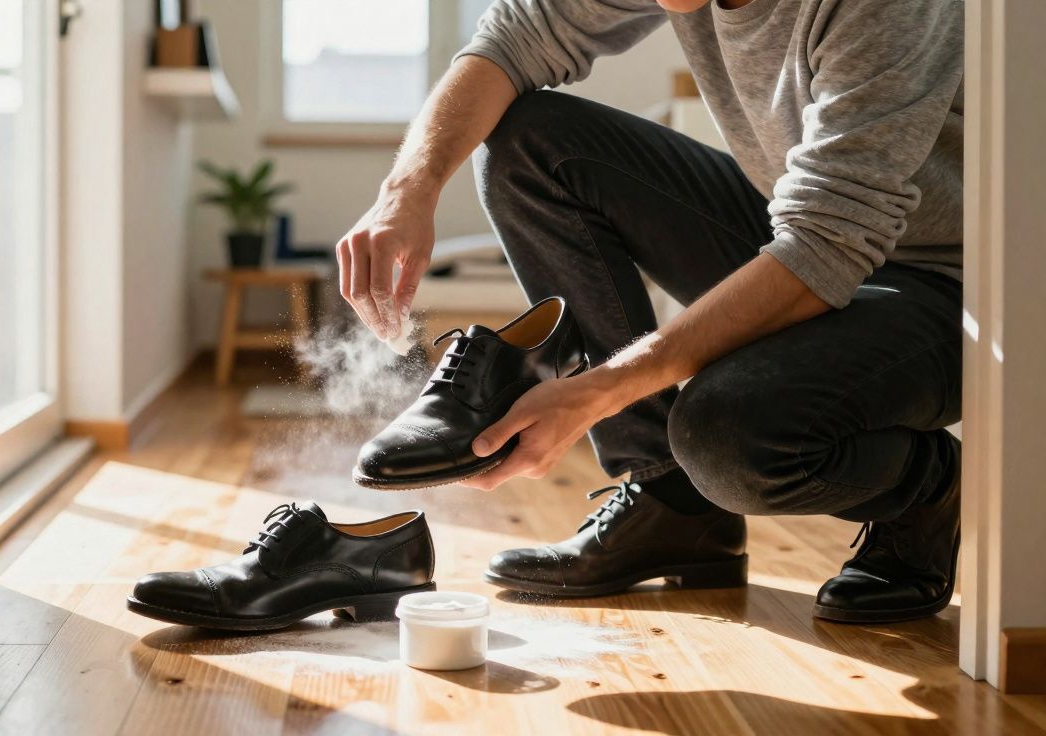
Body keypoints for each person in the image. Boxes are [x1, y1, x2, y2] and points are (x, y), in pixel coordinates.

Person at [336, 0, 964, 623]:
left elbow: (830, 240)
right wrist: (406, 191)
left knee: (724, 436)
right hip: (808, 233)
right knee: (531, 141)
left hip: (953, 286)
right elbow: (513, 38)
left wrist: (596, 391)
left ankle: (923, 488)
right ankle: (669, 503)